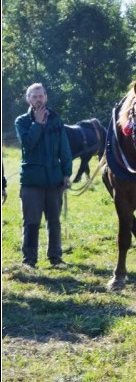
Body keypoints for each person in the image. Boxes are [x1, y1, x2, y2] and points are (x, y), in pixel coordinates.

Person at [14, 83, 71, 267]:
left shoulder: (56, 119)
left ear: (46, 97)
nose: (39, 99)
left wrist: (67, 173)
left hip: (54, 179)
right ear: (28, 99)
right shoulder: (21, 121)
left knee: (54, 221)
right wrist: (37, 123)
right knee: (31, 222)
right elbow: (28, 144)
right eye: (34, 96)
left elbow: (64, 148)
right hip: (32, 181)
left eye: (41, 95)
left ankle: (55, 258)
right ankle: (29, 260)